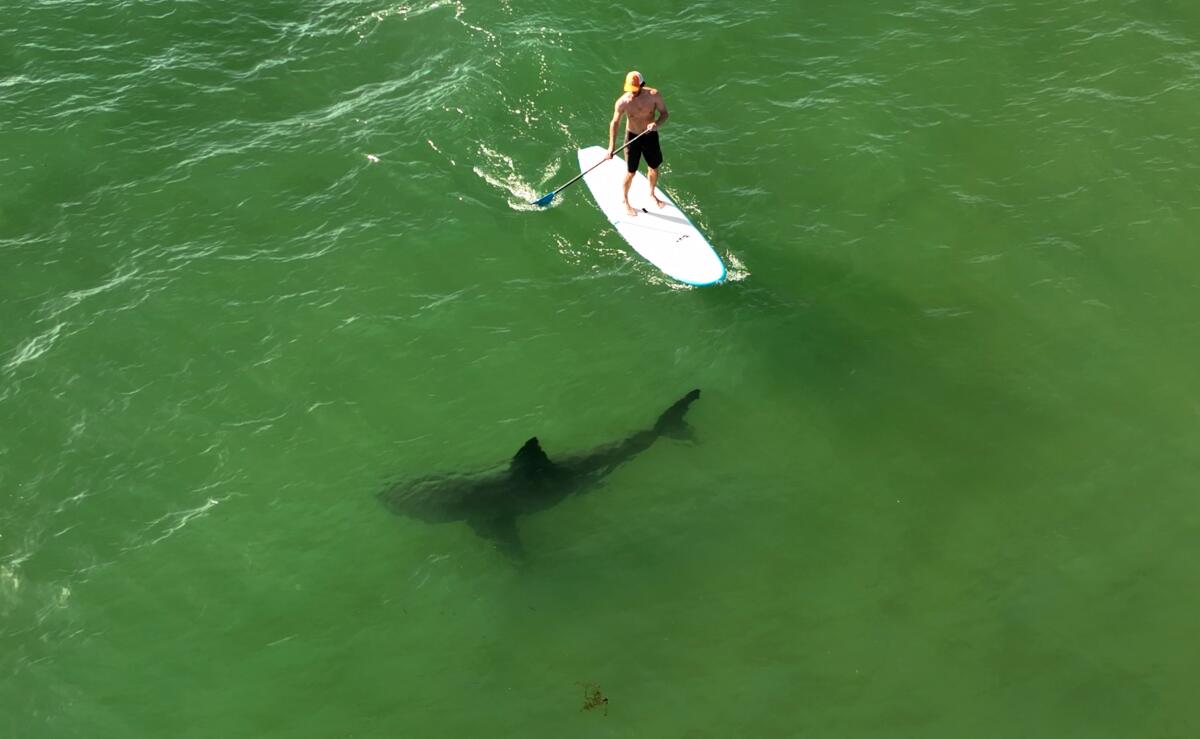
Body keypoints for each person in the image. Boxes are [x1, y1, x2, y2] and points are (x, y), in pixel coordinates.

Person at [606, 70, 669, 216]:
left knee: (653, 167)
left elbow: (664, 114)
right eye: (629, 89)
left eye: (635, 90)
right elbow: (614, 123)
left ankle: (652, 193)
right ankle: (625, 200)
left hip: (650, 136)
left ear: (642, 85)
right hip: (632, 137)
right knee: (631, 172)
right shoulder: (623, 102)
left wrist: (656, 124)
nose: (632, 93)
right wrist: (611, 147)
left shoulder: (654, 96)